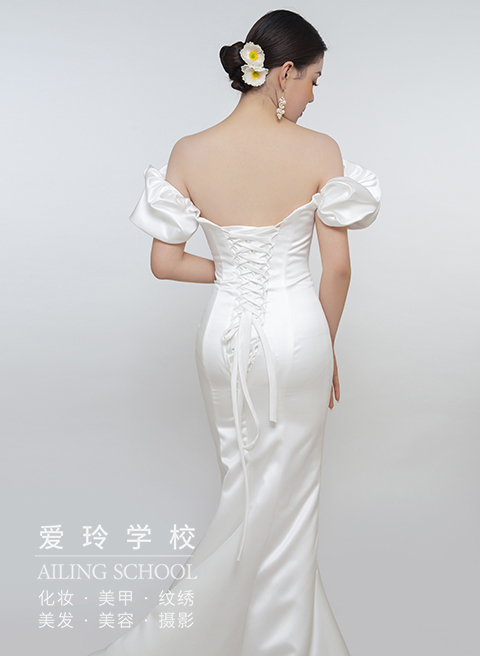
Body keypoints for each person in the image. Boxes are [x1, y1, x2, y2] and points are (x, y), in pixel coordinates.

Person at [89, 9, 381, 656]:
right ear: (283, 73)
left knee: (246, 491)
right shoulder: (320, 150)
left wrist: (239, 269)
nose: (312, 97)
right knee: (289, 505)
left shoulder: (189, 151)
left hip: (223, 341)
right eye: (313, 81)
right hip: (297, 336)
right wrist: (326, 348)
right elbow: (337, 269)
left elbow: (166, 263)